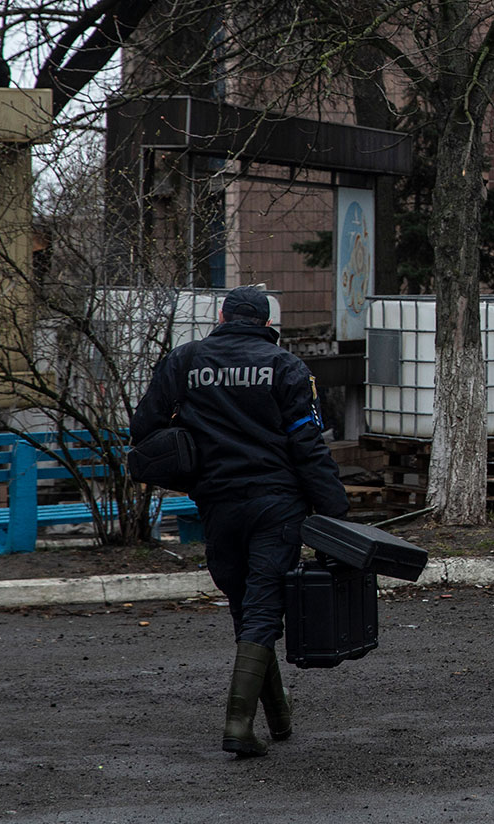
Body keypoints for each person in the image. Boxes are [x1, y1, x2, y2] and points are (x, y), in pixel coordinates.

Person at [127, 286, 349, 758]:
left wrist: (194, 464)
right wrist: (335, 513)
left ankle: (279, 719)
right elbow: (308, 446)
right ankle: (237, 726)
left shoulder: (184, 360)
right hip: (277, 503)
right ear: (268, 324)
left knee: (246, 605)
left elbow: (144, 430)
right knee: (264, 606)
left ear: (223, 316)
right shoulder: (287, 367)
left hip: (217, 503)